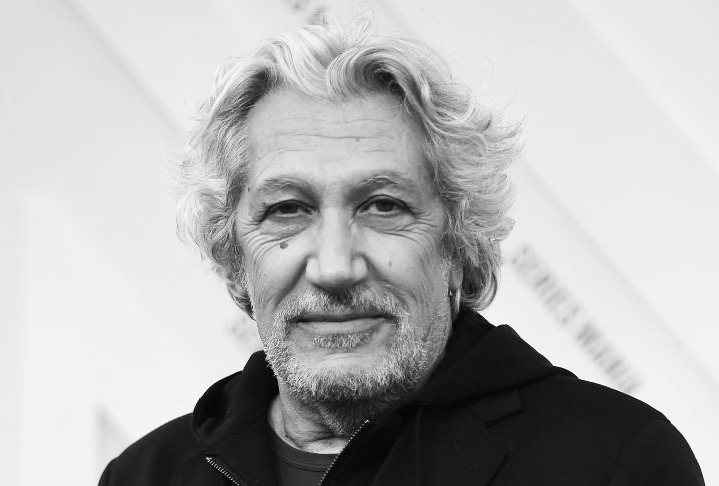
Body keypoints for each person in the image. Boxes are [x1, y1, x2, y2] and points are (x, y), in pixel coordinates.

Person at [99, 19, 704, 486]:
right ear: (234, 256)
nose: (335, 266)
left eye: (383, 206)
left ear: (459, 244)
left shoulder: (615, 462)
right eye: (287, 209)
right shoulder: (144, 476)